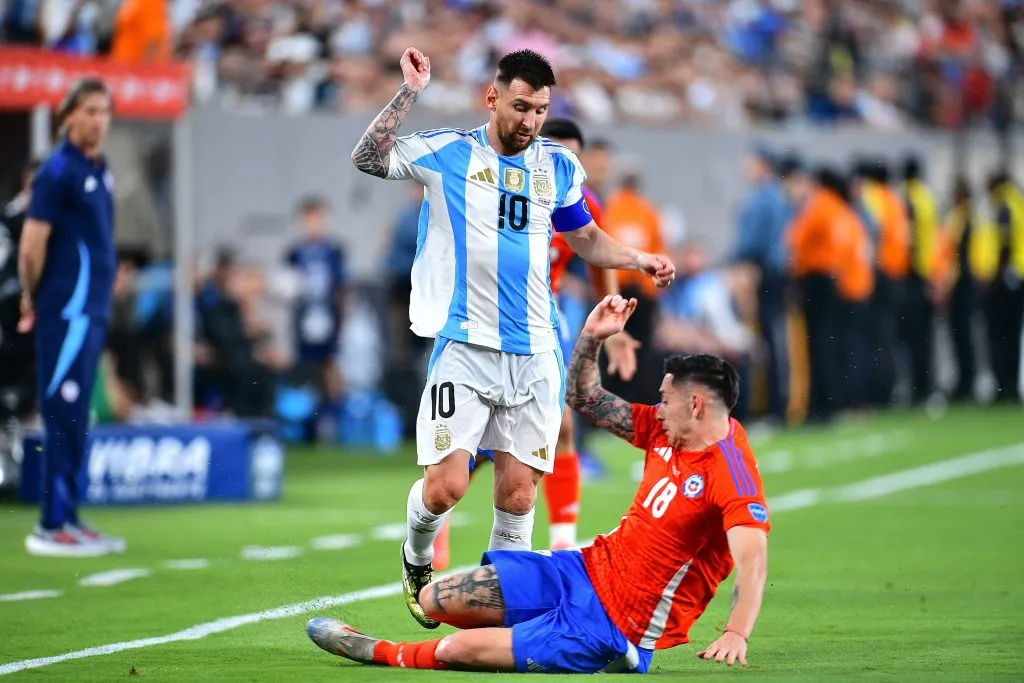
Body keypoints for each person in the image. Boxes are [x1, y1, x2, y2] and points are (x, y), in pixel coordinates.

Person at [349, 47, 675, 629]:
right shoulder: (447, 152)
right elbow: (367, 157)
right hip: (464, 348)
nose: (530, 121)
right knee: (446, 488)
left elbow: (587, 238)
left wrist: (638, 259)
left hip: (535, 354)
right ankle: (416, 557)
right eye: (521, 106)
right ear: (493, 97)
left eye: (541, 110)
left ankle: (506, 610)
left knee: (519, 496)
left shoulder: (558, 167)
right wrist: (410, 92)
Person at [307, 295, 770, 674]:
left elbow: (753, 561)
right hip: (584, 570)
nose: (657, 406)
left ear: (695, 405)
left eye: (665, 399)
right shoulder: (664, 428)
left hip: (614, 625)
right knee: (434, 598)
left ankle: (377, 651)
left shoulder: (730, 471)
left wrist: (736, 631)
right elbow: (584, 398)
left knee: (454, 651)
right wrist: (590, 338)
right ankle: (516, 636)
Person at [433, 118, 640, 564]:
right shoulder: (498, 189)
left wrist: (616, 327)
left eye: (567, 154)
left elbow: (595, 254)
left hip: (544, 323)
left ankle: (563, 539)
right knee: (476, 438)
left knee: (559, 426)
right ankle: (439, 520)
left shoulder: (580, 201)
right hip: (480, 322)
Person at [20, 78, 125, 556]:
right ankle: (50, 522)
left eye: (104, 111)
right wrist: (30, 295)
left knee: (78, 415)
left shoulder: (98, 169)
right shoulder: (57, 171)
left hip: (90, 313)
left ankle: (71, 516)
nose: (98, 120)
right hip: (65, 312)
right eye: (89, 111)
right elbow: (32, 244)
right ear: (68, 117)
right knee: (60, 414)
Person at [285, 196, 347, 410]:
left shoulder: (334, 251)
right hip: (304, 320)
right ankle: (303, 417)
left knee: (330, 367)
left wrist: (342, 320)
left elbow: (341, 289)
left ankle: (334, 416)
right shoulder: (294, 252)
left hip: (328, 318)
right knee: (304, 369)